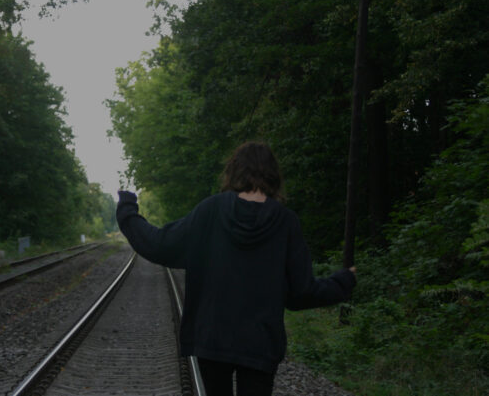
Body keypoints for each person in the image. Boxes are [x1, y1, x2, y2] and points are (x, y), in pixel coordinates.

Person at [116, 141, 356, 396]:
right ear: (273, 175)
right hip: (261, 344)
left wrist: (127, 209)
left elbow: (159, 245)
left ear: (234, 171)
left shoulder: (210, 211)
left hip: (212, 340)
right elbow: (301, 293)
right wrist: (344, 282)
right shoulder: (286, 222)